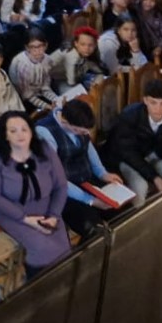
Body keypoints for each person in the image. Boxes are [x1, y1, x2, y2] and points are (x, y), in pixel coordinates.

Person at [0, 111, 71, 275]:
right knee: (41, 248)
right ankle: (37, 286)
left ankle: (61, 285)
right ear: (6, 135)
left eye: (24, 129)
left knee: (64, 249)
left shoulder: (44, 149)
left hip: (46, 208)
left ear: (31, 131)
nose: (20, 134)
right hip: (10, 211)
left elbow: (61, 185)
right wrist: (25, 219)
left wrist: (53, 216)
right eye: (13, 131)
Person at [37, 100, 127, 240]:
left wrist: (102, 173)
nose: (84, 134)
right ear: (65, 122)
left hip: (85, 179)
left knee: (123, 211)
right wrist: (90, 200)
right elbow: (56, 178)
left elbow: (89, 149)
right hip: (62, 190)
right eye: (79, 131)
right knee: (94, 229)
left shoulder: (79, 127)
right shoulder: (44, 132)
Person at [103, 78, 162, 206]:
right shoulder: (129, 116)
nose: (158, 108)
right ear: (145, 100)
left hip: (158, 155)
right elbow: (129, 153)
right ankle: (138, 212)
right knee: (140, 187)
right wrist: (154, 177)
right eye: (153, 103)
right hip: (130, 160)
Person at [9, 28, 60, 112]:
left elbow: (45, 86)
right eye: (32, 47)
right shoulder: (24, 66)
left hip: (38, 89)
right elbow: (26, 94)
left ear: (46, 45)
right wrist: (46, 106)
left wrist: (57, 100)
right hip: (23, 93)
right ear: (27, 47)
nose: (37, 50)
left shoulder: (48, 60)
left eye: (40, 46)